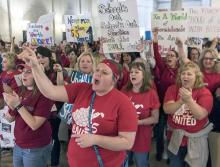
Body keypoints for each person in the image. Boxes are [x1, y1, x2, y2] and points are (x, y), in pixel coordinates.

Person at [21, 47, 138, 167]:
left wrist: (95, 139)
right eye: (97, 70)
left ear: (115, 79)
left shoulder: (124, 103)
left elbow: (127, 142)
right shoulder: (82, 88)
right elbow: (50, 91)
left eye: (105, 72)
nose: (98, 73)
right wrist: (35, 66)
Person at [163, 62, 213, 167]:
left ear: (197, 77)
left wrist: (189, 100)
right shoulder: (173, 89)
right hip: (175, 139)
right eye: (183, 73)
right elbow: (167, 109)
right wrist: (181, 101)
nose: (185, 76)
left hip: (195, 141)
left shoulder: (204, 92)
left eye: (189, 74)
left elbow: (200, 115)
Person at [3, 64, 54, 167]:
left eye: (28, 72)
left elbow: (34, 124)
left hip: (35, 148)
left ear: (38, 75)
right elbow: (10, 118)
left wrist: (18, 105)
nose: (24, 74)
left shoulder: (44, 95)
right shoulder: (21, 91)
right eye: (23, 71)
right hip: (18, 144)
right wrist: (11, 105)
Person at [123, 62, 160, 167]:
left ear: (144, 75)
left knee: (141, 163)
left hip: (142, 137)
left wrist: (138, 122)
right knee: (125, 163)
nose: (132, 74)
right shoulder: (124, 91)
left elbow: (155, 118)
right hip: (124, 136)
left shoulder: (151, 93)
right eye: (131, 72)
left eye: (136, 72)